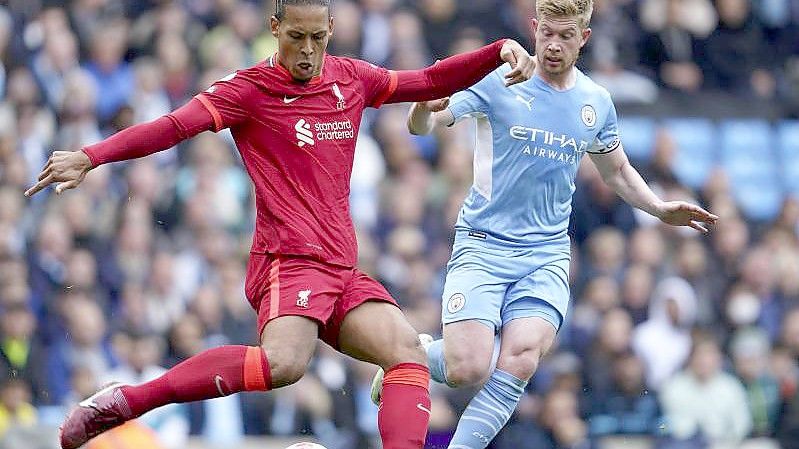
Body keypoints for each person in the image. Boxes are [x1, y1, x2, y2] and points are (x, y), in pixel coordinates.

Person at [24, 1, 536, 448]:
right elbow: (175, 125)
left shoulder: (352, 78)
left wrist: (497, 52)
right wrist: (92, 155)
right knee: (284, 365)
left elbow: (426, 81)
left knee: (407, 355)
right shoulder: (249, 90)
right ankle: (127, 401)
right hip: (286, 261)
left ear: (331, 29)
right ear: (275, 28)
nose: (307, 51)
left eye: (317, 37)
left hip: (342, 267)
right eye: (296, 37)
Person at [371, 1, 717, 448]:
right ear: (534, 28)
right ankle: (410, 355)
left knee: (521, 358)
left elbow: (616, 171)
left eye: (566, 36)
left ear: (584, 38)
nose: (554, 45)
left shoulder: (595, 102)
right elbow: (423, 127)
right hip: (482, 244)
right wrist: (423, 107)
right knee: (467, 368)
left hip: (545, 255)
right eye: (547, 33)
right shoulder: (498, 80)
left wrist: (658, 207)